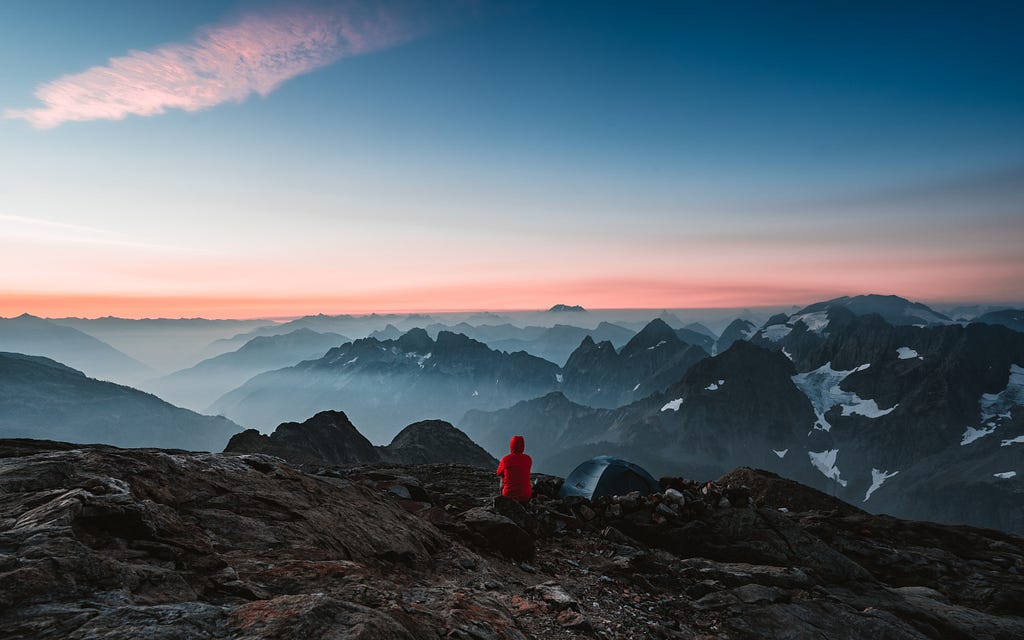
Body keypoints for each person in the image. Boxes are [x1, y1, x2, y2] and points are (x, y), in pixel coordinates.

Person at [496, 435, 532, 503]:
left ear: (511, 446)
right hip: (526, 496)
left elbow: (498, 473)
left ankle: (502, 496)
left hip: (508, 495)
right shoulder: (528, 459)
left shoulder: (505, 459)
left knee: (502, 475)